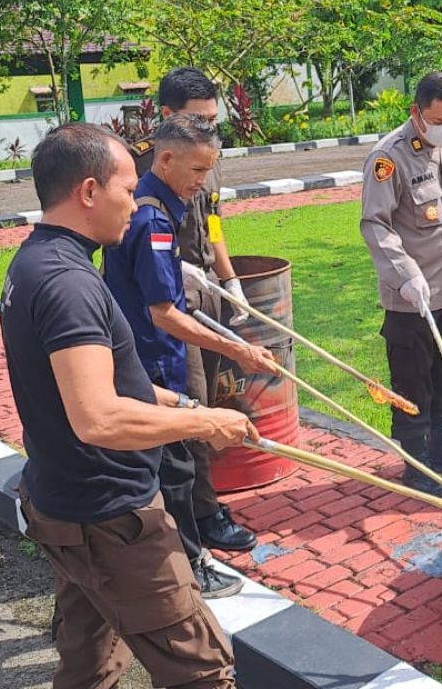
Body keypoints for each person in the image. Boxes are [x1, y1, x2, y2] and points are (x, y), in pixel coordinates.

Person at [0, 122, 257, 688]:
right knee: (202, 671)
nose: (134, 199)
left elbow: (104, 384)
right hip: (111, 517)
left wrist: (181, 401)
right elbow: (98, 417)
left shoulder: (36, 263)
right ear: (89, 192)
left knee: (91, 664)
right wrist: (202, 419)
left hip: (65, 504)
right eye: (126, 185)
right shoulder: (68, 284)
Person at [103, 114, 278, 599]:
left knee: (168, 463)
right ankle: (187, 566)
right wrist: (237, 348)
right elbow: (163, 314)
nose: (203, 181)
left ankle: (178, 552)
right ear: (166, 158)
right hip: (153, 356)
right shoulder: (154, 217)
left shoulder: (156, 203)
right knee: (175, 466)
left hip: (146, 352)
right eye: (198, 171)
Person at [134, 67, 259, 554]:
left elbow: (213, 222)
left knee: (211, 398)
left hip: (204, 291)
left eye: (214, 120)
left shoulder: (203, 157)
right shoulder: (152, 170)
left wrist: (229, 281)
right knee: (191, 405)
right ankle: (200, 516)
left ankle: (203, 505)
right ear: (168, 119)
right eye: (199, 119)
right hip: (171, 302)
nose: (210, 129)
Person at [360, 71, 442, 494]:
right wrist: (405, 273)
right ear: (417, 113)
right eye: (440, 119)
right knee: (412, 376)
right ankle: (416, 458)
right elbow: (374, 224)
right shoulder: (388, 157)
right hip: (410, 294)